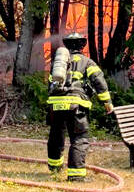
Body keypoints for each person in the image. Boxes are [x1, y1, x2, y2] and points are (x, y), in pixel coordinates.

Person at [47, 32, 113, 181]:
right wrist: (107, 103)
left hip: (55, 105)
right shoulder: (88, 62)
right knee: (79, 138)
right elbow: (100, 83)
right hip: (76, 105)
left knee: (56, 135)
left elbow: (50, 85)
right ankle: (76, 176)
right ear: (82, 46)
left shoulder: (58, 64)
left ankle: (55, 167)